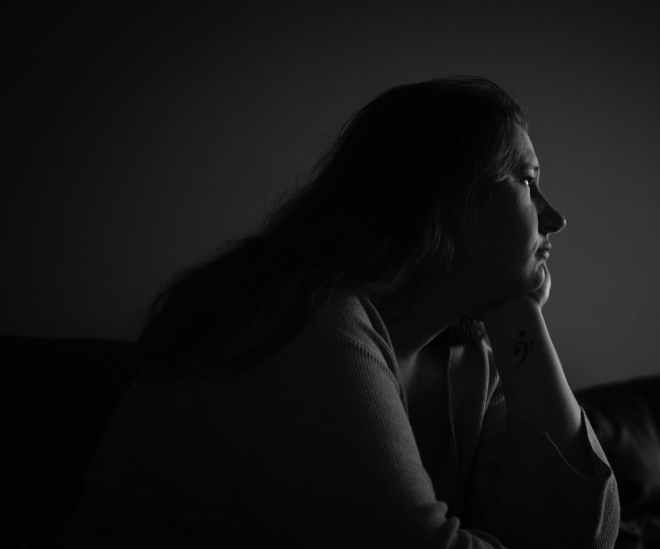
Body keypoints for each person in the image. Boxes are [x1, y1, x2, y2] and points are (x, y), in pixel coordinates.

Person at [62, 77, 620, 547]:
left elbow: (583, 534)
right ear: (446, 200)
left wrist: (518, 314)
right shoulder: (308, 323)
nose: (555, 218)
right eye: (526, 181)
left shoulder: (464, 358)